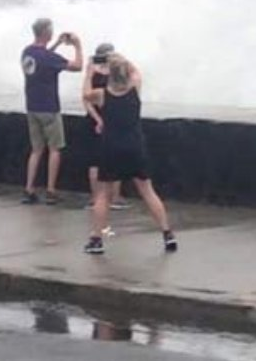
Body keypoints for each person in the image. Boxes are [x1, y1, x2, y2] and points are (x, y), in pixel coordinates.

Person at [82, 54, 177, 255]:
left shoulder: (101, 95)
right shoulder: (135, 89)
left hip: (111, 148)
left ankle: (96, 240)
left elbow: (85, 95)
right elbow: (135, 71)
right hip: (135, 146)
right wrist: (118, 59)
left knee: (103, 195)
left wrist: (89, 73)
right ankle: (167, 234)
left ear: (109, 75)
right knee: (147, 191)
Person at [20, 18, 83, 205]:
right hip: (49, 107)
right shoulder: (49, 58)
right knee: (54, 149)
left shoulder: (27, 52)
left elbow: (44, 59)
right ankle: (51, 190)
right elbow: (78, 66)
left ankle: (29, 188)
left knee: (36, 150)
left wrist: (56, 44)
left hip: (32, 106)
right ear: (47, 33)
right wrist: (77, 45)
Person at [82, 43, 127, 214]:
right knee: (115, 158)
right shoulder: (116, 73)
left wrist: (97, 119)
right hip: (112, 120)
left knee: (94, 161)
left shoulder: (91, 74)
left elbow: (86, 100)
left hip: (93, 122)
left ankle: (95, 198)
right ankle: (115, 198)